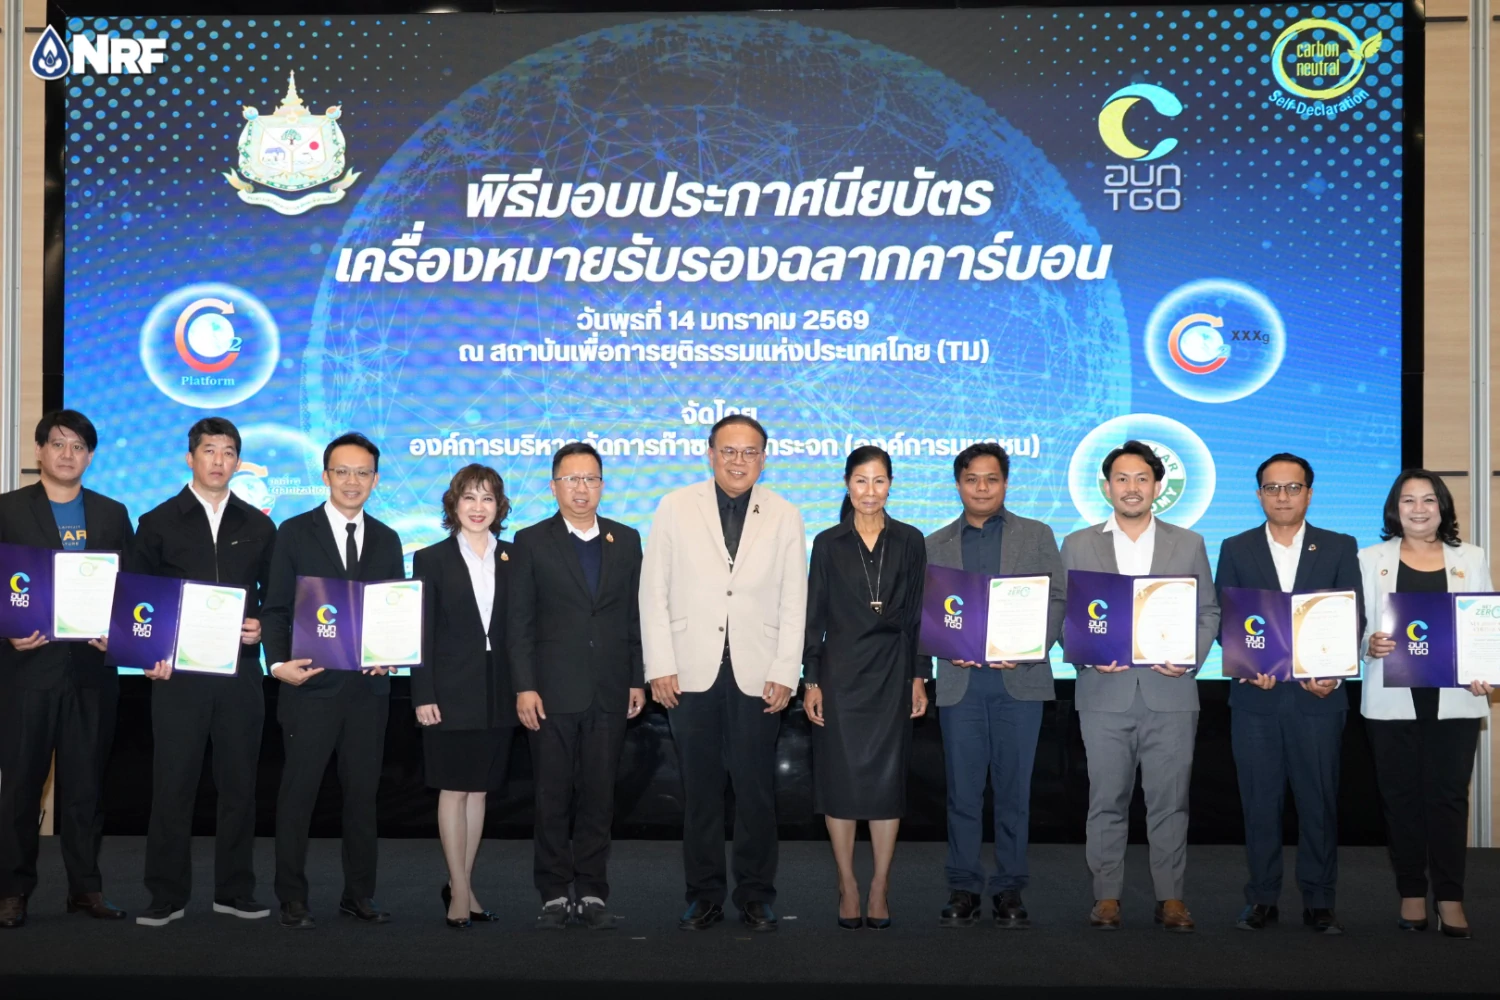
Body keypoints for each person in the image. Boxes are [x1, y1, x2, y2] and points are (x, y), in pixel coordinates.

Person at [639, 414, 807, 933]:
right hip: (690, 672)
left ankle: (756, 894)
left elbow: (795, 598)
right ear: (710, 453)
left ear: (764, 458)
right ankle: (704, 894)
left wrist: (787, 669)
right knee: (701, 793)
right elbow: (653, 590)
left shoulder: (784, 513)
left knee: (756, 793)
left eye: (749, 451)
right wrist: (659, 664)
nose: (739, 461)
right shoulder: (674, 506)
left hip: (760, 674)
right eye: (729, 451)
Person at [1060, 440, 1219, 933]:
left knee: (1169, 802)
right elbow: (1062, 611)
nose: (1132, 487)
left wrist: (1188, 658)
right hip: (1103, 693)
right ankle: (1106, 897)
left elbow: (1208, 612)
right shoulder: (1078, 543)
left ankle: (1171, 898)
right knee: (1106, 799)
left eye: (1142, 479)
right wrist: (1084, 651)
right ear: (1107, 487)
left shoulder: (1187, 543)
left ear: (1158, 486)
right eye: (1122, 479)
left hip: (1169, 692)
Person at [132, 417, 278, 927]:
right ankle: (165, 894)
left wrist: (263, 626)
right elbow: (138, 597)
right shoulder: (157, 521)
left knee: (239, 785)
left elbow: (276, 599)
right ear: (190, 457)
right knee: (173, 784)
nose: (219, 460)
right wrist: (148, 651)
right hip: (178, 676)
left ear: (238, 461)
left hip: (240, 673)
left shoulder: (259, 525)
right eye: (209, 450)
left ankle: (234, 891)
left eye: (229, 452)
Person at [259, 432, 405, 930]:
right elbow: (275, 607)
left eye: (363, 472)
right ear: (325, 476)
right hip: (309, 688)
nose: (352, 481)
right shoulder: (294, 532)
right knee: (297, 795)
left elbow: (391, 610)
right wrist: (277, 664)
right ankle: (292, 897)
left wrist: (391, 654)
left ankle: (358, 894)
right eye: (342, 471)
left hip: (368, 693)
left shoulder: (387, 538)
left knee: (362, 798)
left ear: (375, 480)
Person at [1215, 452, 1361, 935]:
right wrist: (1246, 664)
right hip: (1255, 699)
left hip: (1318, 699)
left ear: (1309, 494)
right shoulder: (1236, 547)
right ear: (1258, 495)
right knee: (1259, 803)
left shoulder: (1338, 546)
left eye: (1293, 487)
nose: (1283, 496)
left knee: (1319, 802)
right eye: (1272, 488)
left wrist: (1333, 673)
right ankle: (1261, 898)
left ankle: (1320, 901)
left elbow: (1351, 616)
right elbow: (1226, 617)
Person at [0, 410, 134, 929]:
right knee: (20, 787)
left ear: (90, 456)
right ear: (39, 450)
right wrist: (5, 629)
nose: (67, 454)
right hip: (26, 670)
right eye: (57, 444)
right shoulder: (8, 510)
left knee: (85, 788)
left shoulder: (112, 514)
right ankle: (12, 890)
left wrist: (119, 633)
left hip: (91, 673)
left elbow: (131, 589)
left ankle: (86, 889)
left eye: (78, 446)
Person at [923, 442, 1065, 930]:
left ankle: (1009, 888)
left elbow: (1058, 598)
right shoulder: (934, 544)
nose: (981, 488)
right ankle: (963, 887)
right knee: (962, 793)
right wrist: (944, 644)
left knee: (1014, 792)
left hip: (1019, 682)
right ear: (958, 484)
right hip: (960, 683)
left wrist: (1028, 646)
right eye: (972, 479)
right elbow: (926, 612)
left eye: (991, 479)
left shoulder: (1037, 534)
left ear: (1006, 483)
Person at [509, 442, 645, 931]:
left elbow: (635, 616)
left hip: (610, 689)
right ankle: (552, 892)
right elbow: (519, 622)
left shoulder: (626, 539)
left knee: (599, 796)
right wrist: (524, 686)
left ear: (602, 486)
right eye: (571, 479)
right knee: (551, 796)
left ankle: (591, 890)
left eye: (590, 479)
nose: (581, 488)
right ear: (553, 487)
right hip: (550, 692)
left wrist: (636, 677)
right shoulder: (530, 541)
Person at [1358, 470, 1492, 939]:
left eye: (1429, 500)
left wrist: (1487, 669)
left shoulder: (1471, 557)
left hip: (1454, 697)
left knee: (1448, 799)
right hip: (1392, 697)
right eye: (1408, 500)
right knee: (1400, 798)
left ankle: (1450, 896)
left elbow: (1485, 621)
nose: (1419, 509)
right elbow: (1356, 625)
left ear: (1443, 507)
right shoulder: (1369, 558)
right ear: (1394, 509)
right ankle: (1412, 892)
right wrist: (1367, 644)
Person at [803, 446, 927, 930]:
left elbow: (918, 615)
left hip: (892, 671)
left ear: (890, 485)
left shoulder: (910, 540)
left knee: (886, 781)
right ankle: (847, 883)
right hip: (840, 675)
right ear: (847, 484)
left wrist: (919, 676)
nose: (869, 491)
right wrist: (811, 678)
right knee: (840, 779)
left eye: (878, 481)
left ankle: (879, 885)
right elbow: (814, 617)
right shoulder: (828, 542)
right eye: (860, 481)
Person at [410, 464, 517, 929]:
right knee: (454, 789)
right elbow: (421, 631)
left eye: (487, 498)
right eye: (469, 497)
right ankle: (457, 889)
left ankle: (464, 885)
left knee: (479, 791)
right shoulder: (430, 558)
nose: (478, 507)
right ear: (453, 504)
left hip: (500, 691)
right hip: (448, 691)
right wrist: (422, 693)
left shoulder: (514, 556)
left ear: (499, 506)